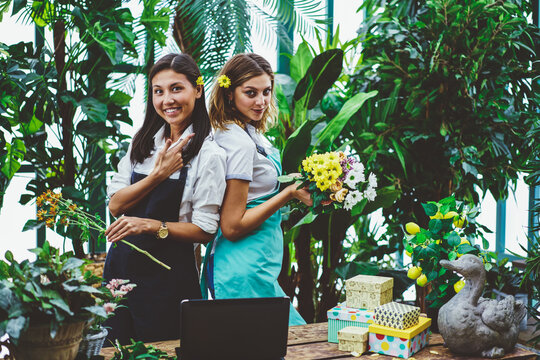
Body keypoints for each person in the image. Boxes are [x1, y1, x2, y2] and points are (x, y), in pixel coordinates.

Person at [103, 53, 226, 344]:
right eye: (158, 91)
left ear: (197, 90)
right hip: (119, 275)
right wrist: (158, 175)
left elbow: (205, 230)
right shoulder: (143, 142)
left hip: (168, 283)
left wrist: (148, 225)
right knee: (112, 350)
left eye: (176, 88)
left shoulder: (210, 155)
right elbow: (116, 205)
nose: (167, 99)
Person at [201, 53, 311, 326]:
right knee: (291, 342)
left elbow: (255, 194)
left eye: (266, 92)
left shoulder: (243, 132)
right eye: (250, 93)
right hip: (243, 269)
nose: (261, 101)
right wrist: (288, 193)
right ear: (229, 94)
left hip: (256, 266)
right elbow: (232, 225)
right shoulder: (239, 143)